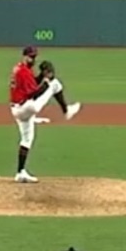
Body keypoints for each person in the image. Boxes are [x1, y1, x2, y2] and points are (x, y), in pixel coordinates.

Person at [7, 46, 81, 183]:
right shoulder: (23, 71)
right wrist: (47, 81)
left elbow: (31, 85)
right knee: (55, 84)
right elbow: (34, 94)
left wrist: (41, 76)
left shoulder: (20, 68)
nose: (33, 59)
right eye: (30, 56)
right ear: (24, 56)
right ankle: (66, 111)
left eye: (34, 57)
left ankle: (20, 172)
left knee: (27, 140)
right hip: (26, 107)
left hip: (17, 109)